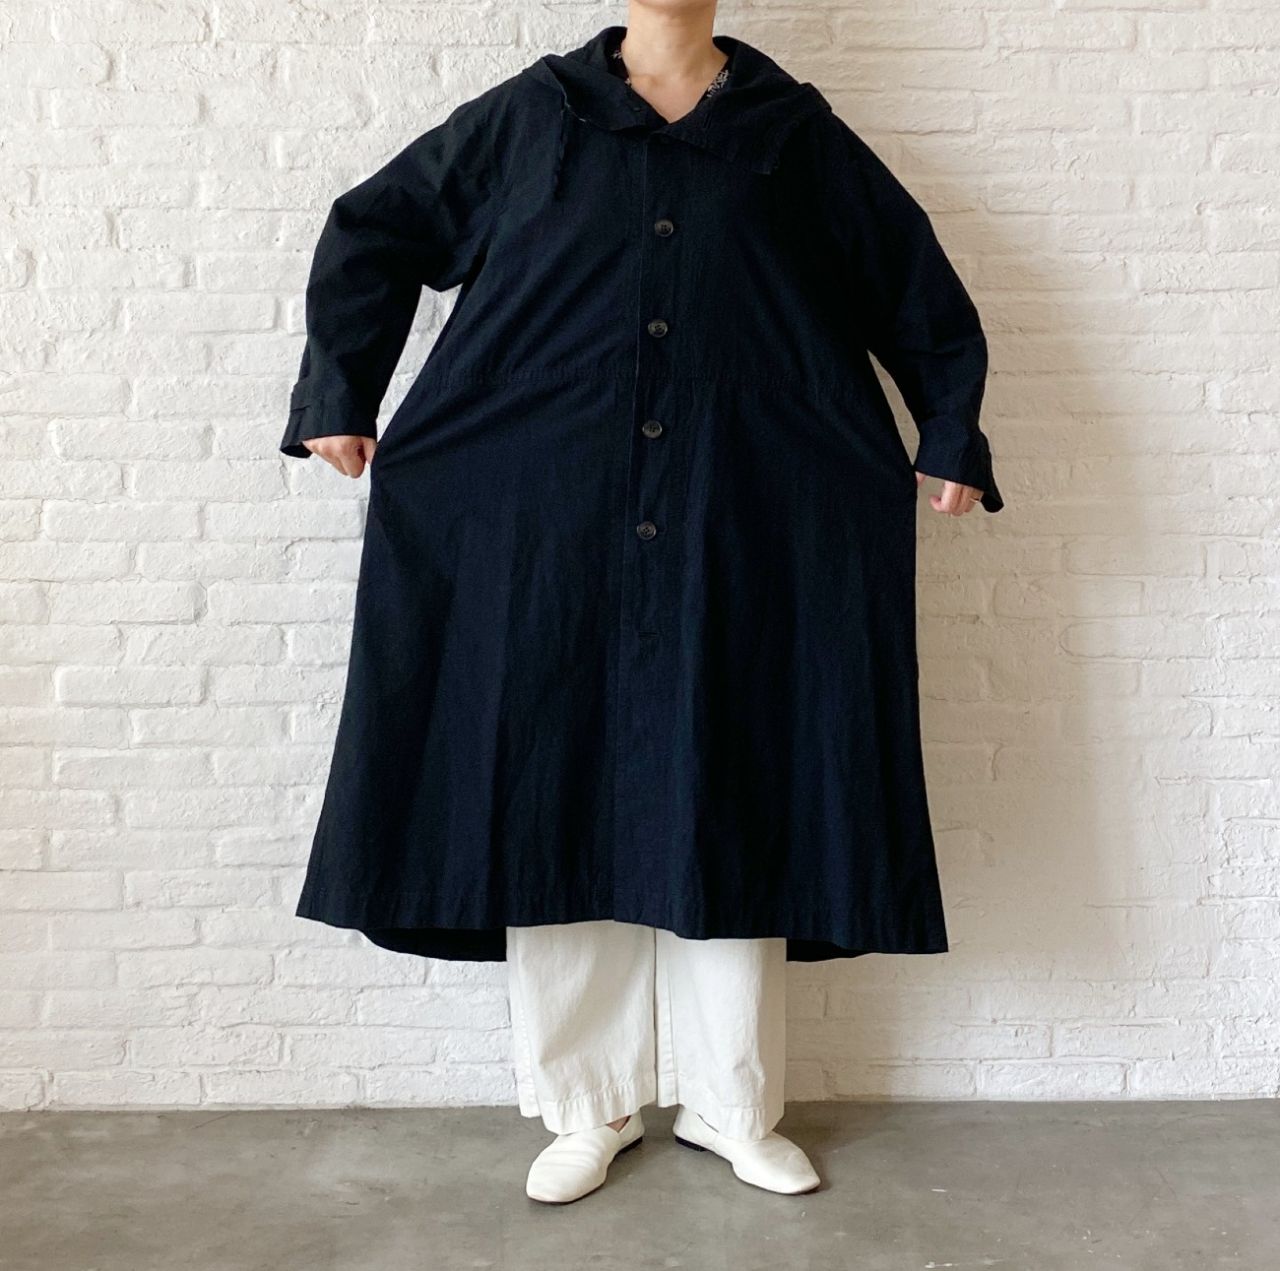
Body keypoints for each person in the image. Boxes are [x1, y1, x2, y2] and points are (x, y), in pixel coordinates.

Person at [281, 2, 1002, 1205]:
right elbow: (377, 228)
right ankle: (587, 1104)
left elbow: (906, 280)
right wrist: (338, 391)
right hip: (542, 525)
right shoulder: (529, 122)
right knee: (551, 795)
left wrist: (946, 432)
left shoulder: (790, 135)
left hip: (746, 520)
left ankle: (731, 1104)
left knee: (738, 789)